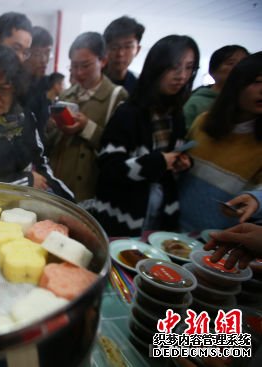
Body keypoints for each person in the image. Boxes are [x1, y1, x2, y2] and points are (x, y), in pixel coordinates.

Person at [91, 35, 200, 236]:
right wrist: (158, 162)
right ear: (156, 67)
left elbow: (168, 162)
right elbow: (110, 169)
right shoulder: (129, 112)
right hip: (121, 216)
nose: (181, 75)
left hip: (160, 216)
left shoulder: (176, 115)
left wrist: (181, 162)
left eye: (189, 67)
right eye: (174, 67)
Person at [0, 44, 74, 202]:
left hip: (27, 205)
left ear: (15, 90)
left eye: (3, 89)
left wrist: (67, 198)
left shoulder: (25, 118)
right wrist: (26, 181)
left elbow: (40, 163)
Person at [178, 51, 262, 232]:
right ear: (237, 83)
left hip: (216, 240)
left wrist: (256, 198)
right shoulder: (203, 121)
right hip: (171, 229)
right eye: (257, 82)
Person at [48, 32, 128, 202]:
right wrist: (53, 126)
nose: (79, 73)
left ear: (103, 61)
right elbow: (51, 145)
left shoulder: (117, 97)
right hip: (58, 185)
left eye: (85, 66)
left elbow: (121, 150)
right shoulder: (65, 95)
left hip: (90, 192)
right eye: (74, 66)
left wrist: (86, 127)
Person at [183, 45, 249, 130]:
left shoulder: (249, 102)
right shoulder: (196, 103)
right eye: (231, 63)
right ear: (212, 71)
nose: (238, 67)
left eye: (243, 62)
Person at [23, 26, 54, 146]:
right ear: (25, 54)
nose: (44, 60)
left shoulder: (48, 85)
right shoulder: (12, 85)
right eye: (37, 54)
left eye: (47, 53)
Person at [103, 15, 144, 94]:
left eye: (128, 47)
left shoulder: (139, 87)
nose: (120, 53)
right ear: (105, 49)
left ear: (137, 50)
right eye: (114, 47)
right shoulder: (92, 80)